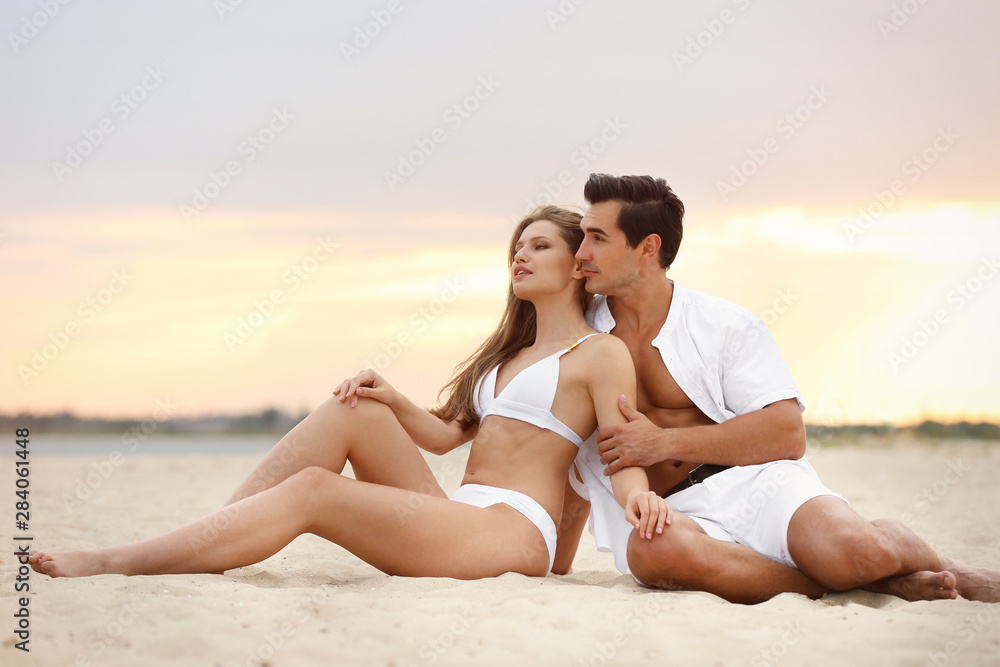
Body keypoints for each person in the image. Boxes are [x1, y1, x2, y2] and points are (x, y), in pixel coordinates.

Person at [29, 206, 671, 581]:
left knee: (314, 491)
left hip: (509, 533)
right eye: (516, 249)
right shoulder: (510, 353)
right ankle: (206, 539)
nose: (519, 259)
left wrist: (641, 505)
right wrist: (391, 397)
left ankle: (119, 560)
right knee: (354, 408)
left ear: (576, 266)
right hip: (462, 513)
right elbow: (448, 436)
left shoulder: (599, 353)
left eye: (539, 247)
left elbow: (620, 452)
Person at [554, 173, 1000, 604]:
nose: (581, 253)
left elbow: (787, 433)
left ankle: (940, 563)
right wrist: (557, 557)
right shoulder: (577, 335)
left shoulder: (725, 325)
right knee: (654, 554)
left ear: (648, 247)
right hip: (674, 513)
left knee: (858, 553)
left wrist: (662, 442)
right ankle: (871, 587)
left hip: (759, 484)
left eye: (598, 238)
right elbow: (555, 445)